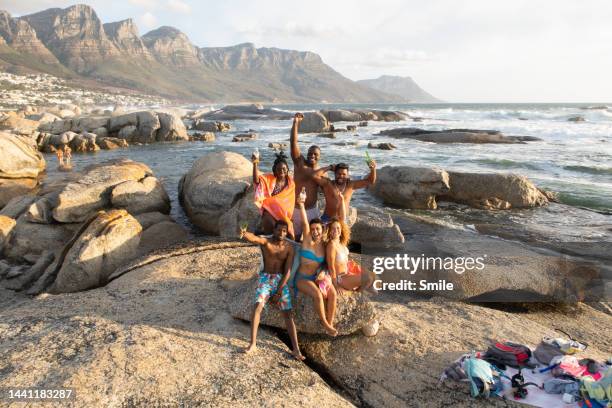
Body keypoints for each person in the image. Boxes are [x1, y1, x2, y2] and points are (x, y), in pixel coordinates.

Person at [239, 220, 304, 360]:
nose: (281, 233)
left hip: (280, 280)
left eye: (284, 231)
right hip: (265, 279)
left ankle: (296, 349)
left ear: (287, 232)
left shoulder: (289, 248)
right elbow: (255, 238)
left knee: (288, 313)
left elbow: (287, 272)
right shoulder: (266, 242)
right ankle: (252, 344)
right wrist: (244, 234)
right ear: (274, 230)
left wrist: (279, 291)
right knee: (257, 306)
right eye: (279, 230)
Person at [294, 190, 338, 337]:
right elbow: (305, 221)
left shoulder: (324, 245)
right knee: (318, 295)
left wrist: (324, 272)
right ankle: (324, 323)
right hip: (302, 279)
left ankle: (330, 323)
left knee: (332, 293)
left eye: (317, 229)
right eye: (313, 229)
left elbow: (326, 263)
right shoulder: (306, 239)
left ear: (322, 229)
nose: (315, 231)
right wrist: (301, 204)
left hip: (316, 278)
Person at [289, 112, 329, 240]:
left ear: (319, 157)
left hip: (312, 211)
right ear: (307, 154)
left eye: (315, 154)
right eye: (310, 153)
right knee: (294, 239)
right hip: (295, 210)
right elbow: (293, 142)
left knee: (312, 240)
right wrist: (296, 123)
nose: (312, 155)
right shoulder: (300, 164)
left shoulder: (322, 172)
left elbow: (329, 192)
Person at [253, 151, 296, 238]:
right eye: (279, 169)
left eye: (284, 168)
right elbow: (256, 180)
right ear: (274, 170)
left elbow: (290, 203)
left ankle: (263, 233)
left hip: (284, 216)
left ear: (287, 169)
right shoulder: (270, 178)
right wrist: (255, 163)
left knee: (291, 236)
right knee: (272, 226)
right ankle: (267, 235)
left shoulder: (291, 183)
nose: (281, 171)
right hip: (269, 213)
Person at [326, 218, 376, 292]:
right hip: (340, 278)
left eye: (338, 228)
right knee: (367, 278)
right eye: (333, 228)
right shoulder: (331, 246)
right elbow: (331, 267)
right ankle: (356, 292)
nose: (336, 230)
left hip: (347, 274)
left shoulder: (341, 244)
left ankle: (356, 288)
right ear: (329, 231)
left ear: (341, 229)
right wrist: (336, 286)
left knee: (373, 275)